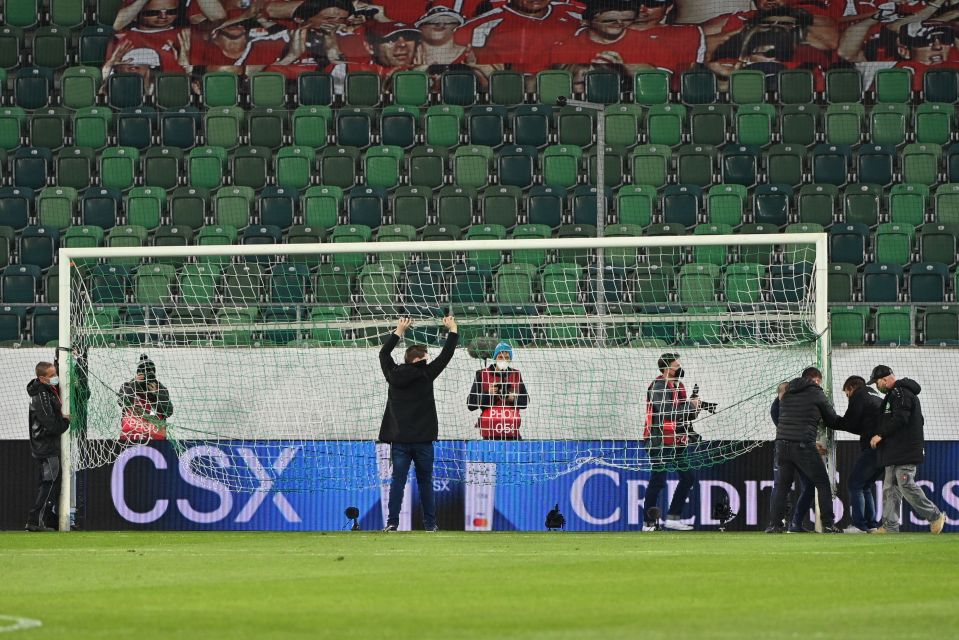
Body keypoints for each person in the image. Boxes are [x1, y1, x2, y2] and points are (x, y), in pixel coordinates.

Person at [379, 315, 459, 532]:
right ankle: (430, 524)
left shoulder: (392, 374)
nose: (429, 358)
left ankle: (392, 522)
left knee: (398, 482)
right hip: (423, 440)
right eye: (426, 356)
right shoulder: (426, 374)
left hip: (400, 440)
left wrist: (399, 331)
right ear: (418, 360)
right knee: (425, 483)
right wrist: (453, 330)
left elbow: (383, 353)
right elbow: (447, 354)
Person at [868, 365, 946, 534]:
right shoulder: (894, 394)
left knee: (906, 484)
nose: (876, 386)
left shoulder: (900, 393)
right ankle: (889, 527)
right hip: (895, 451)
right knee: (890, 489)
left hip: (905, 451)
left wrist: (880, 434)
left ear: (885, 379)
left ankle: (935, 516)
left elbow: (901, 418)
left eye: (877, 382)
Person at [766, 366, 844, 533]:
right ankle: (828, 524)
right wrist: (851, 423)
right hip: (803, 445)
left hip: (781, 444)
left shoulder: (787, 391)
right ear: (815, 379)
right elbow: (831, 419)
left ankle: (774, 526)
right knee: (822, 482)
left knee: (782, 486)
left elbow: (776, 414)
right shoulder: (816, 393)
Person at [642, 353, 701, 532]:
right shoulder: (659, 386)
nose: (680, 367)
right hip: (659, 440)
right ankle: (648, 523)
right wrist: (690, 405)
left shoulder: (679, 386)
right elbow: (668, 412)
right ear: (667, 368)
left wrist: (696, 407)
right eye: (677, 365)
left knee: (688, 477)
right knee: (658, 480)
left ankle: (673, 517)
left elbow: (684, 415)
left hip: (676, 440)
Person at [26, 361, 70, 532]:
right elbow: (51, 425)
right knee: (50, 482)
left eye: (55, 374)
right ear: (42, 378)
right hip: (46, 445)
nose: (56, 378)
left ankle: (41, 519)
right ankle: (35, 520)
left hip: (45, 444)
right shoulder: (41, 395)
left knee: (49, 482)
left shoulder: (45, 390)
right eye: (52, 376)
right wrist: (66, 421)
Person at [837, 375, 884, 533]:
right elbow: (859, 425)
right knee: (865, 485)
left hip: (873, 447)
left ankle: (860, 525)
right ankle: (871, 525)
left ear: (851, 388)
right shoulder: (874, 394)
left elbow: (849, 422)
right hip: (885, 447)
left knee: (854, 484)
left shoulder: (858, 395)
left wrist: (829, 419)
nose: (848, 397)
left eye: (846, 394)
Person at [770, 381, 817, 533]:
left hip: (794, 448)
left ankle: (795, 523)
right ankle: (776, 524)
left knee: (808, 485)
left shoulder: (793, 404)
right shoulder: (777, 407)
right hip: (791, 448)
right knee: (781, 486)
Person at [467, 341, 530, 440]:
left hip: (511, 432)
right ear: (495, 358)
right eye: (500, 357)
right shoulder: (482, 374)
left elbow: (525, 402)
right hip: (489, 432)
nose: (504, 360)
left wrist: (512, 398)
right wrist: (488, 394)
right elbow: (471, 404)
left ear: (510, 359)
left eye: (507, 358)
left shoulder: (516, 374)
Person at [118, 355, 174, 443]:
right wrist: (135, 384)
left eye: (150, 371)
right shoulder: (128, 385)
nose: (147, 375)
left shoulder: (160, 388)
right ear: (138, 373)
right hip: (131, 436)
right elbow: (123, 402)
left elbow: (168, 411)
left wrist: (157, 393)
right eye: (144, 372)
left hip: (155, 437)